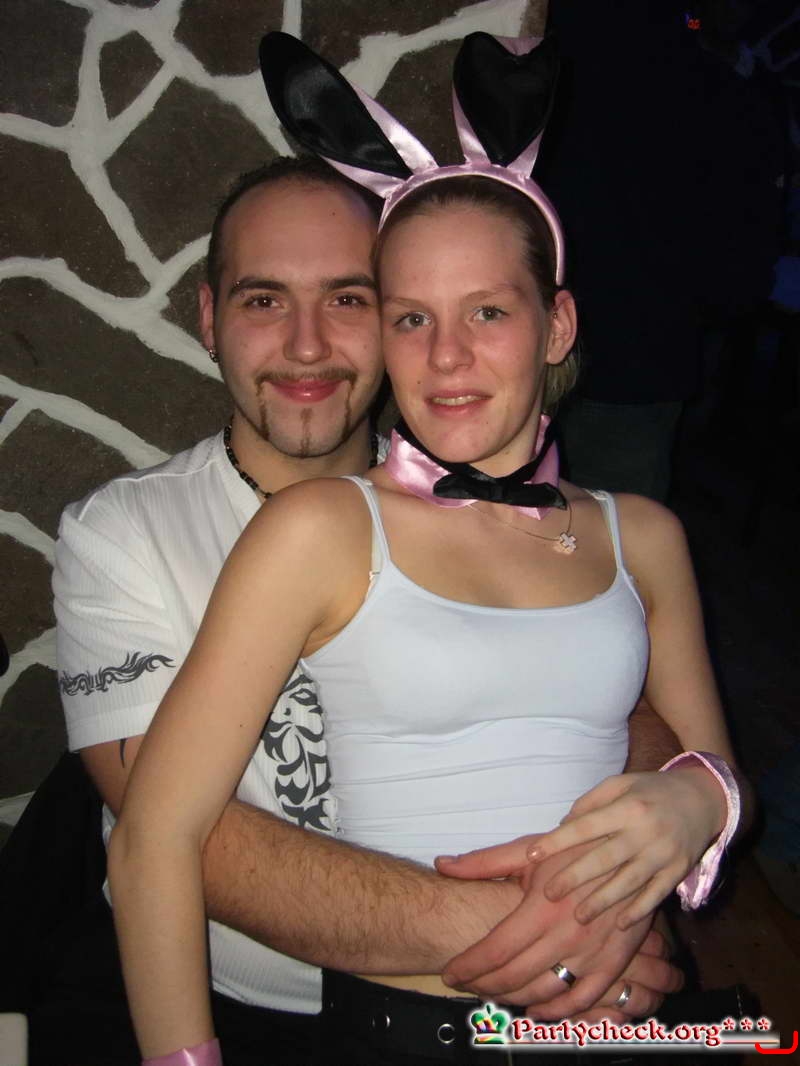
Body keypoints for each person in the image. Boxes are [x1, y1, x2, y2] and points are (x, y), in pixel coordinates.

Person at [107, 32, 748, 1066]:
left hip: (621, 1027)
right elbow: (153, 837)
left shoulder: (645, 536)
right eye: (410, 318)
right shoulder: (320, 529)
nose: (447, 357)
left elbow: (711, 768)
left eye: (487, 311)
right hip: (410, 1033)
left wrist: (696, 797)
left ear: (555, 325)